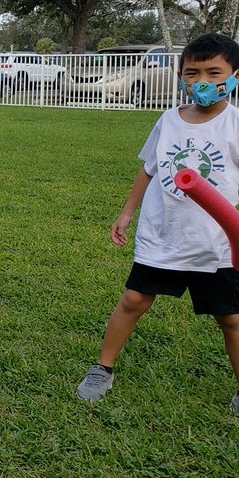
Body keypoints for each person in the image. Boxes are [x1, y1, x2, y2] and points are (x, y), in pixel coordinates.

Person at [76, 33, 239, 415]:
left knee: (231, 319)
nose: (202, 82)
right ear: (180, 76)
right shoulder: (169, 120)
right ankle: (103, 368)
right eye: (192, 73)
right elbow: (149, 169)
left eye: (214, 73)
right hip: (163, 234)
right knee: (134, 300)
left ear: (234, 76)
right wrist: (127, 212)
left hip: (215, 243)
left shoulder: (235, 125)